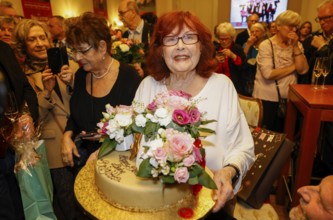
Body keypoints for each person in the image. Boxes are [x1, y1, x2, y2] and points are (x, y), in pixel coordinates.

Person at [134, 11, 255, 218]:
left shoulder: (222, 86)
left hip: (209, 202)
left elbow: (243, 147)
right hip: (150, 203)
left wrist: (227, 171)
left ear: (202, 46)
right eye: (171, 39)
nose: (180, 45)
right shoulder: (148, 86)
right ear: (160, 50)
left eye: (189, 37)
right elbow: (131, 140)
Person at [61, 11, 141, 215]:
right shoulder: (82, 75)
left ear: (103, 47)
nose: (77, 58)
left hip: (119, 170)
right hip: (86, 164)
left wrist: (104, 149)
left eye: (83, 51)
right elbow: (76, 114)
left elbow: (138, 128)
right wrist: (67, 135)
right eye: (74, 51)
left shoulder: (129, 78)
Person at [11, 19, 78, 219]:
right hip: (53, 147)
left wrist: (72, 81)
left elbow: (83, 102)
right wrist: (47, 92)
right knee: (66, 200)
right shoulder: (22, 76)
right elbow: (30, 117)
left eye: (42, 37)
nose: (40, 43)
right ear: (23, 44)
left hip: (79, 138)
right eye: (32, 39)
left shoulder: (70, 65)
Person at [252, 10, 309, 132]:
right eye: (290, 26)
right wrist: (293, 67)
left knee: (287, 137)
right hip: (267, 99)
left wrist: (295, 47)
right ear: (278, 26)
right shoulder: (266, 45)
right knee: (267, 138)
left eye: (295, 26)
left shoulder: (296, 45)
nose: (294, 30)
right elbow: (268, 74)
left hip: (289, 99)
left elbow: (303, 70)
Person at [0, 40, 38, 220]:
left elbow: (23, 87)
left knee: (22, 208)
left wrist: (27, 115)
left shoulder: (3, 48)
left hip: (11, 148)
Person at [214, 22, 246, 95]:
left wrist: (233, 56)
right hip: (216, 85)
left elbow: (244, 67)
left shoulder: (237, 49)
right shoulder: (214, 49)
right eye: (221, 39)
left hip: (234, 86)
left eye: (226, 39)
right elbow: (207, 67)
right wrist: (215, 61)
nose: (224, 41)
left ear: (232, 37)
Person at [243, 22, 268, 96]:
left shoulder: (267, 44)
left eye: (257, 31)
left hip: (263, 74)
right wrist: (248, 45)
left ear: (263, 33)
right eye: (252, 32)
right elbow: (242, 58)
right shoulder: (246, 44)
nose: (254, 33)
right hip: (250, 75)